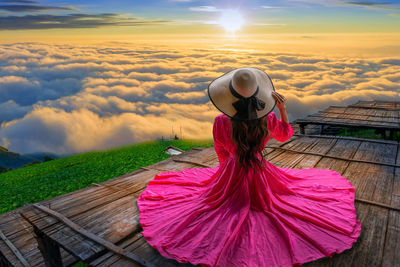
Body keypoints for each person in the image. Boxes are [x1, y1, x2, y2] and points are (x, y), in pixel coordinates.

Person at [137, 67, 361, 267]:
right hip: (260, 172)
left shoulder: (221, 121)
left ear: (230, 93)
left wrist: (226, 175)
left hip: (231, 170)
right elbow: (285, 135)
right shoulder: (267, 118)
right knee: (288, 196)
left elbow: (221, 151)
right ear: (257, 93)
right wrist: (282, 110)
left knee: (206, 203)